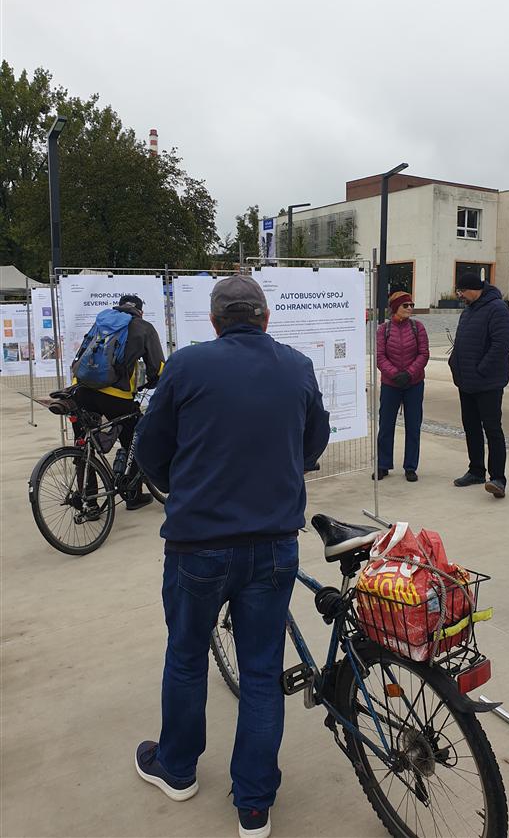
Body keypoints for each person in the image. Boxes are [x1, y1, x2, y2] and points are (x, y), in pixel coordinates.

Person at [132, 275, 330, 838]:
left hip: (198, 545)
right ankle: (254, 805)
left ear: (215, 323)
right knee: (263, 673)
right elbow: (314, 440)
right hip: (274, 546)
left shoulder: (188, 365)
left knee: (188, 657)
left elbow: (151, 449)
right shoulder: (296, 365)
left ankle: (176, 769)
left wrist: (185, 485)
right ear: (266, 319)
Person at [71, 294, 165, 510]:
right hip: (116, 396)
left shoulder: (101, 321)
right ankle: (132, 494)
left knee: (83, 444)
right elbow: (158, 368)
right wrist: (151, 382)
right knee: (134, 436)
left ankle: (90, 503)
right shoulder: (143, 327)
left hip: (81, 390)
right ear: (140, 311)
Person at [448, 272, 509, 498]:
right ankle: (476, 470)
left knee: (493, 429)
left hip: (488, 383)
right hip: (466, 382)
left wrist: (481, 369)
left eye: (462, 291)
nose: (460, 296)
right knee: (471, 427)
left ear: (474, 289)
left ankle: (498, 479)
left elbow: (502, 344)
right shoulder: (469, 311)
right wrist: (454, 364)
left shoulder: (497, 309)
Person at [375, 290, 430, 482]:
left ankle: (410, 466)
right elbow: (380, 356)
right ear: (395, 308)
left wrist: (409, 373)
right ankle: (382, 464)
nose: (410, 308)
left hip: (414, 384)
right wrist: (394, 374)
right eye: (405, 305)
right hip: (391, 384)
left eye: (411, 305)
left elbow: (424, 353)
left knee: (413, 426)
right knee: (386, 425)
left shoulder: (418, 327)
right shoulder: (383, 329)